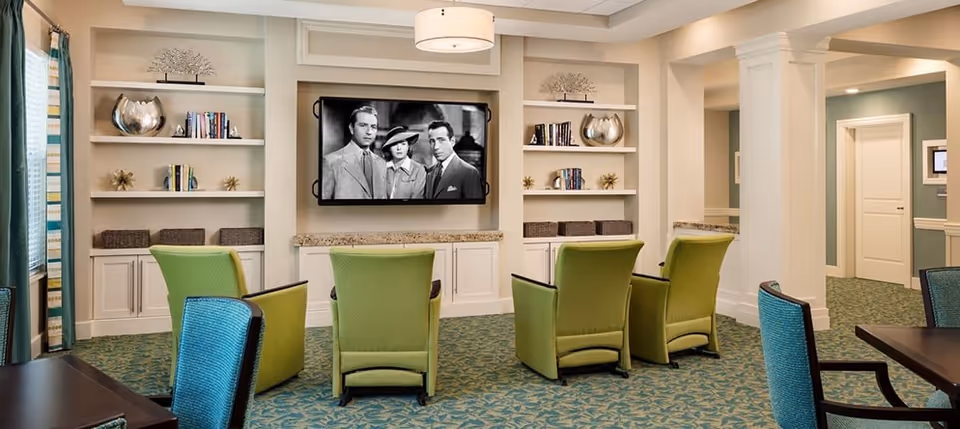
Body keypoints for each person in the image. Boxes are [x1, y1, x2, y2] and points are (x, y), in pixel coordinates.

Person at [321, 105, 387, 200]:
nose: (369, 132)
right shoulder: (331, 162)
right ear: (351, 128)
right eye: (363, 125)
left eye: (373, 127)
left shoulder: (382, 163)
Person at [424, 121, 484, 200]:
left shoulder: (469, 172)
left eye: (441, 140)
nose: (436, 147)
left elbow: (473, 208)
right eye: (432, 141)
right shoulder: (430, 172)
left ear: (452, 141)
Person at [381, 125, 426, 199]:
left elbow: (417, 200)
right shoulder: (382, 168)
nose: (399, 148)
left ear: (408, 146)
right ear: (389, 148)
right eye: (394, 144)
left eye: (403, 144)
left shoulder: (419, 170)